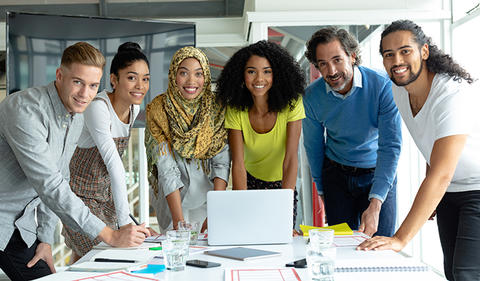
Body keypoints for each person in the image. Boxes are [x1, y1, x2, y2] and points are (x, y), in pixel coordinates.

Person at [0, 42, 149, 281]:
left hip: (20, 225)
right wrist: (109, 235)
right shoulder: (25, 110)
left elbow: (61, 178)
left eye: (92, 86)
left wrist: (45, 239)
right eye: (78, 82)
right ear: (60, 75)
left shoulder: (75, 116)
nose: (85, 94)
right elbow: (49, 185)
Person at [357, 20, 479, 281]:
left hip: (476, 188)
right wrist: (433, 196)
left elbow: (441, 173)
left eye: (405, 51)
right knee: (453, 273)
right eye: (388, 54)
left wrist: (400, 239)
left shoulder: (450, 93)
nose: (396, 60)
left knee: (467, 273)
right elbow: (432, 144)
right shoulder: (399, 90)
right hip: (450, 191)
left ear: (424, 51)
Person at [303, 27, 402, 237]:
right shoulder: (312, 97)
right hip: (336, 177)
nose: (331, 71)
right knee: (342, 247)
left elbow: (390, 146)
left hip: (377, 171)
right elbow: (313, 147)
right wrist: (322, 190)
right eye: (323, 64)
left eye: (337, 59)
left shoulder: (383, 86)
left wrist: (376, 203)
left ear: (352, 56)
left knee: (380, 245)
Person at [62, 42, 155, 263]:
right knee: (104, 255)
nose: (140, 86)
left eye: (145, 79)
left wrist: (124, 220)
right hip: (80, 197)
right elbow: (114, 164)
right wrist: (124, 224)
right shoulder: (98, 107)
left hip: (105, 197)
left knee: (86, 257)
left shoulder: (134, 108)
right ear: (114, 80)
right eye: (132, 78)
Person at [216, 40, 305, 229]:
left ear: (277, 74)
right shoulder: (235, 109)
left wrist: (284, 206)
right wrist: (242, 204)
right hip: (249, 181)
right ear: (242, 75)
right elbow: (237, 163)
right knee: (249, 232)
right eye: (251, 71)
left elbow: (290, 159)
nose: (259, 79)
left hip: (283, 183)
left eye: (267, 71)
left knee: (282, 235)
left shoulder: (292, 104)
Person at [145, 46, 230, 233]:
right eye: (183, 73)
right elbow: (166, 168)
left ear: (206, 77)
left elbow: (221, 164)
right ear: (173, 75)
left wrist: (215, 211)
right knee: (176, 247)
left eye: (198, 74)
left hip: (209, 198)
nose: (192, 81)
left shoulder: (217, 109)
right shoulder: (158, 110)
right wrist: (178, 222)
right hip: (171, 201)